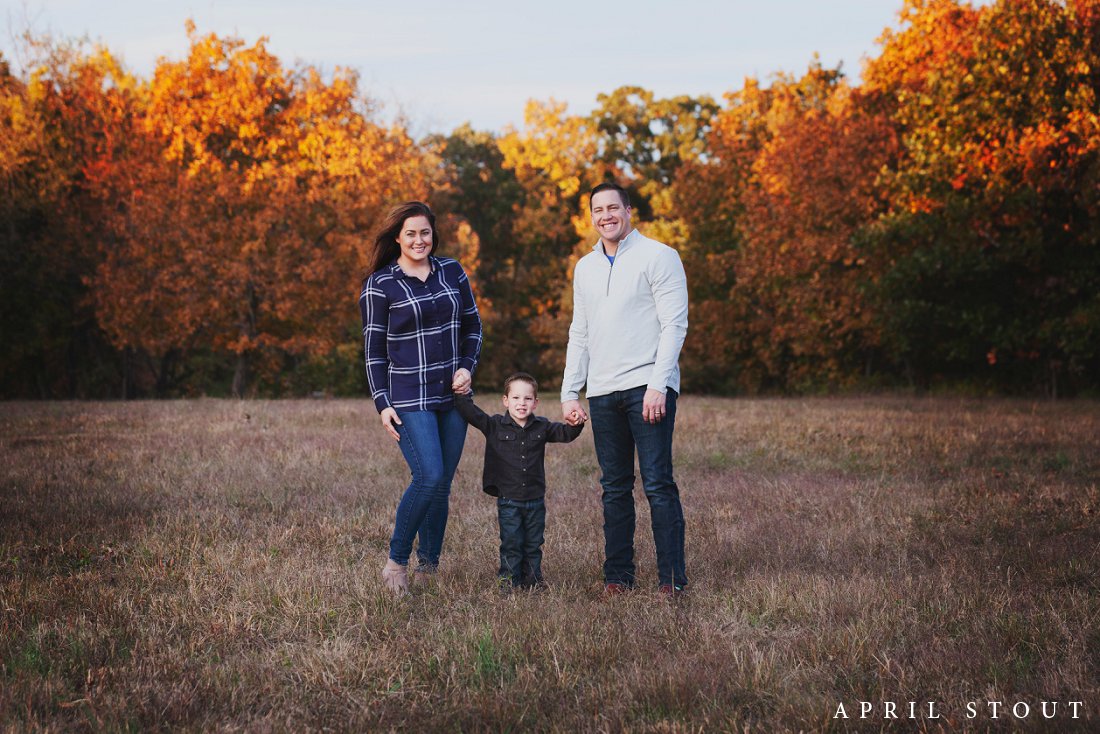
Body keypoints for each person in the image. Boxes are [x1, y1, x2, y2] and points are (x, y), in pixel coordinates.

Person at [561, 182, 689, 595]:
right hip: (602, 391)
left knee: (657, 483)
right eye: (597, 210)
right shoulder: (585, 267)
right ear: (592, 216)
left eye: (613, 207)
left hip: (647, 388)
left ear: (629, 211)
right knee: (614, 487)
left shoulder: (659, 256)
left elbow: (675, 324)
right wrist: (570, 391)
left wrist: (658, 385)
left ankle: (672, 580)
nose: (605, 216)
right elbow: (579, 331)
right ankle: (618, 577)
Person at [359, 201, 482, 595]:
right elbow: (373, 351)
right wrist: (382, 402)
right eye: (410, 233)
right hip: (409, 396)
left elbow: (473, 326)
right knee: (428, 476)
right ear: (397, 237)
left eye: (425, 233)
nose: (418, 240)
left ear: (434, 235)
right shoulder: (380, 285)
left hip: (454, 396)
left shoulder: (452, 271)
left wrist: (467, 367)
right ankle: (396, 564)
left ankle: (429, 568)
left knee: (443, 483)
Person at [454, 372, 585, 590]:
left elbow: (565, 433)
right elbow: (471, 413)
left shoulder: (542, 427)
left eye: (527, 398)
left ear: (535, 403)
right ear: (506, 400)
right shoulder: (495, 425)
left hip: (535, 499)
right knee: (512, 543)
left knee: (534, 544)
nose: (521, 403)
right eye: (516, 398)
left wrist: (576, 423)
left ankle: (532, 581)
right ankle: (508, 582)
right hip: (509, 500)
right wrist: (462, 393)